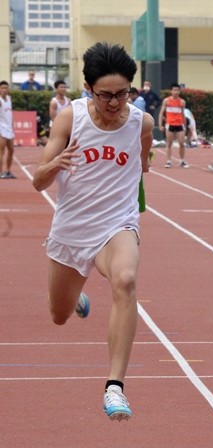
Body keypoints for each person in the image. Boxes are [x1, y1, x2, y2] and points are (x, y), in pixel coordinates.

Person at [32, 42, 155, 421]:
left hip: (117, 225)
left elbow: (143, 167)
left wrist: (129, 196)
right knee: (58, 314)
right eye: (106, 95)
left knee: (126, 279)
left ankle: (114, 387)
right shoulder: (71, 119)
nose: (115, 103)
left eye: (123, 94)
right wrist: (56, 163)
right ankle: (78, 294)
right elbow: (37, 180)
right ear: (88, 89)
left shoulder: (142, 124)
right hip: (72, 229)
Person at [158, 83, 189, 168]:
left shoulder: (182, 102)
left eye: (177, 90)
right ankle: (168, 161)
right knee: (169, 143)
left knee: (182, 143)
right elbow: (161, 113)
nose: (176, 92)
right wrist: (160, 125)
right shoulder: (166, 101)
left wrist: (185, 126)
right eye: (174, 90)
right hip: (170, 124)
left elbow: (183, 114)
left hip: (180, 124)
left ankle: (182, 161)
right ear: (171, 91)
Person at [0, 80, 15, 179]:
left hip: (9, 128)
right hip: (1, 127)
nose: (5, 90)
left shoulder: (9, 98)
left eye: (6, 88)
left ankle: (8, 171)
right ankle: (0, 172)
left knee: (11, 150)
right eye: (2, 88)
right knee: (1, 151)